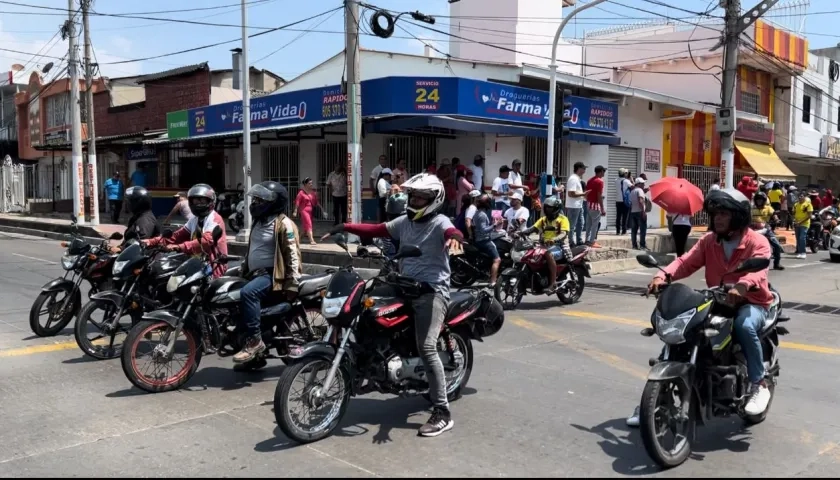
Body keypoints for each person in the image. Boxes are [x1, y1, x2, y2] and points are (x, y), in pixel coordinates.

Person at [325, 173, 464, 438]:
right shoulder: (405, 222)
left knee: (427, 346)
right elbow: (376, 229)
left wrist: (455, 237)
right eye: (413, 196)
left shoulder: (439, 222)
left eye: (420, 197)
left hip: (431, 291)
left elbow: (451, 231)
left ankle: (442, 412)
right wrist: (345, 226)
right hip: (403, 284)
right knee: (366, 312)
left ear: (434, 200)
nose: (415, 200)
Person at [627, 187, 775, 427]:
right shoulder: (709, 241)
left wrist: (743, 286)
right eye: (715, 213)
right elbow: (686, 261)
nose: (717, 218)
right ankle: (654, 400)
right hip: (717, 300)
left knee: (744, 326)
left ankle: (759, 384)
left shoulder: (757, 241)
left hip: (751, 301)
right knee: (685, 330)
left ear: (737, 216)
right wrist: (663, 276)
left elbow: (760, 270)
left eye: (724, 213)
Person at [234, 181, 302, 365]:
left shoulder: (284, 224)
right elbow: (252, 249)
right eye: (255, 199)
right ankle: (255, 358)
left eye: (259, 200)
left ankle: (255, 342)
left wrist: (293, 282)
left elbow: (293, 254)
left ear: (274, 202)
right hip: (255, 273)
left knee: (248, 293)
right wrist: (241, 268)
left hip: (272, 275)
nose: (255, 203)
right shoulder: (258, 221)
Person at [143, 184, 229, 278]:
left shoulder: (214, 219)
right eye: (194, 201)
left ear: (211, 201)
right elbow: (177, 236)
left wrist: (178, 247)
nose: (197, 204)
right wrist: (151, 242)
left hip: (213, 268)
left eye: (201, 200)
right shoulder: (194, 220)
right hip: (196, 265)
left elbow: (206, 241)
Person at [519, 197, 570, 293]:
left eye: (550, 208)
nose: (547, 210)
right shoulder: (543, 220)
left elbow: (563, 233)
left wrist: (553, 239)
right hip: (543, 246)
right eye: (546, 207)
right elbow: (532, 228)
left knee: (548, 254)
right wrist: (521, 233)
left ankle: (553, 283)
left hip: (559, 246)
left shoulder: (563, 219)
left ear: (556, 208)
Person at [116, 186, 161, 252]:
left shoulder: (145, 220)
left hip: (141, 259)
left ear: (137, 203)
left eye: (129, 201)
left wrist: (120, 249)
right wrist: (120, 246)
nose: (127, 203)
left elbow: (140, 243)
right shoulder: (139, 216)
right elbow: (131, 239)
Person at [472, 193, 502, 286]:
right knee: (497, 260)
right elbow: (483, 230)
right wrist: (495, 225)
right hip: (484, 241)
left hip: (479, 240)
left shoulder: (478, 213)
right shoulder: (482, 215)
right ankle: (493, 281)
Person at [751, 192, 784, 270]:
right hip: (754, 230)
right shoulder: (751, 208)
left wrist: (776, 219)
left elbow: (774, 214)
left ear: (764, 200)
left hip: (766, 229)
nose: (759, 201)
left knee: (777, 245)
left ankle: (777, 264)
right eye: (758, 200)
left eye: (761, 200)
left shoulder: (768, 208)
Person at [565, 162, 588, 248]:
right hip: (573, 206)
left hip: (578, 205)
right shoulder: (573, 179)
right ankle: (570, 242)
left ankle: (579, 240)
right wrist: (583, 194)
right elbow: (571, 193)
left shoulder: (577, 178)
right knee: (572, 225)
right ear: (579, 168)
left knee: (580, 223)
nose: (584, 171)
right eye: (583, 169)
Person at [293, 177, 319, 245]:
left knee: (305, 228)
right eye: (309, 183)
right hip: (304, 211)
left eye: (311, 183)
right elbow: (297, 202)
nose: (311, 184)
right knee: (308, 224)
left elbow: (316, 203)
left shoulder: (312, 192)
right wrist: (295, 211)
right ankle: (311, 240)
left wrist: (317, 197)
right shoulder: (301, 193)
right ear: (305, 184)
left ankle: (298, 239)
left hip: (311, 211)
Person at [585, 165, 606, 248]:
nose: (604, 173)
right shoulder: (600, 181)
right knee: (595, 224)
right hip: (595, 205)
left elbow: (587, 193)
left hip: (589, 204)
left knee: (588, 224)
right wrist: (602, 209)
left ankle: (587, 240)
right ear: (600, 172)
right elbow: (599, 196)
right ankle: (592, 241)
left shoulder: (590, 180)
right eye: (603, 171)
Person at [792, 190, 812, 259]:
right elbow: (793, 214)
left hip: (805, 224)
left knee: (802, 238)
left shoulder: (808, 204)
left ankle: (803, 252)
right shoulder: (796, 204)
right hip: (797, 224)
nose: (800, 197)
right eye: (799, 196)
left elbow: (809, 215)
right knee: (798, 238)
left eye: (801, 196)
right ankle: (799, 252)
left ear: (804, 197)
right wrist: (794, 221)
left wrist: (800, 222)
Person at [629, 177, 648, 250]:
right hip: (640, 212)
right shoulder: (640, 190)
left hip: (633, 212)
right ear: (639, 184)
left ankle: (634, 246)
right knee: (643, 229)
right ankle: (642, 246)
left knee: (634, 230)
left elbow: (631, 203)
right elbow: (641, 200)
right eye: (643, 183)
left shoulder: (632, 191)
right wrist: (643, 211)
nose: (644, 185)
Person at [615, 168, 632, 235]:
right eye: (626, 173)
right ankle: (624, 231)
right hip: (625, 201)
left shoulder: (615, 180)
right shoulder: (626, 181)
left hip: (618, 200)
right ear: (624, 174)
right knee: (625, 216)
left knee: (618, 216)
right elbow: (633, 186)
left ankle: (618, 231)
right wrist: (631, 180)